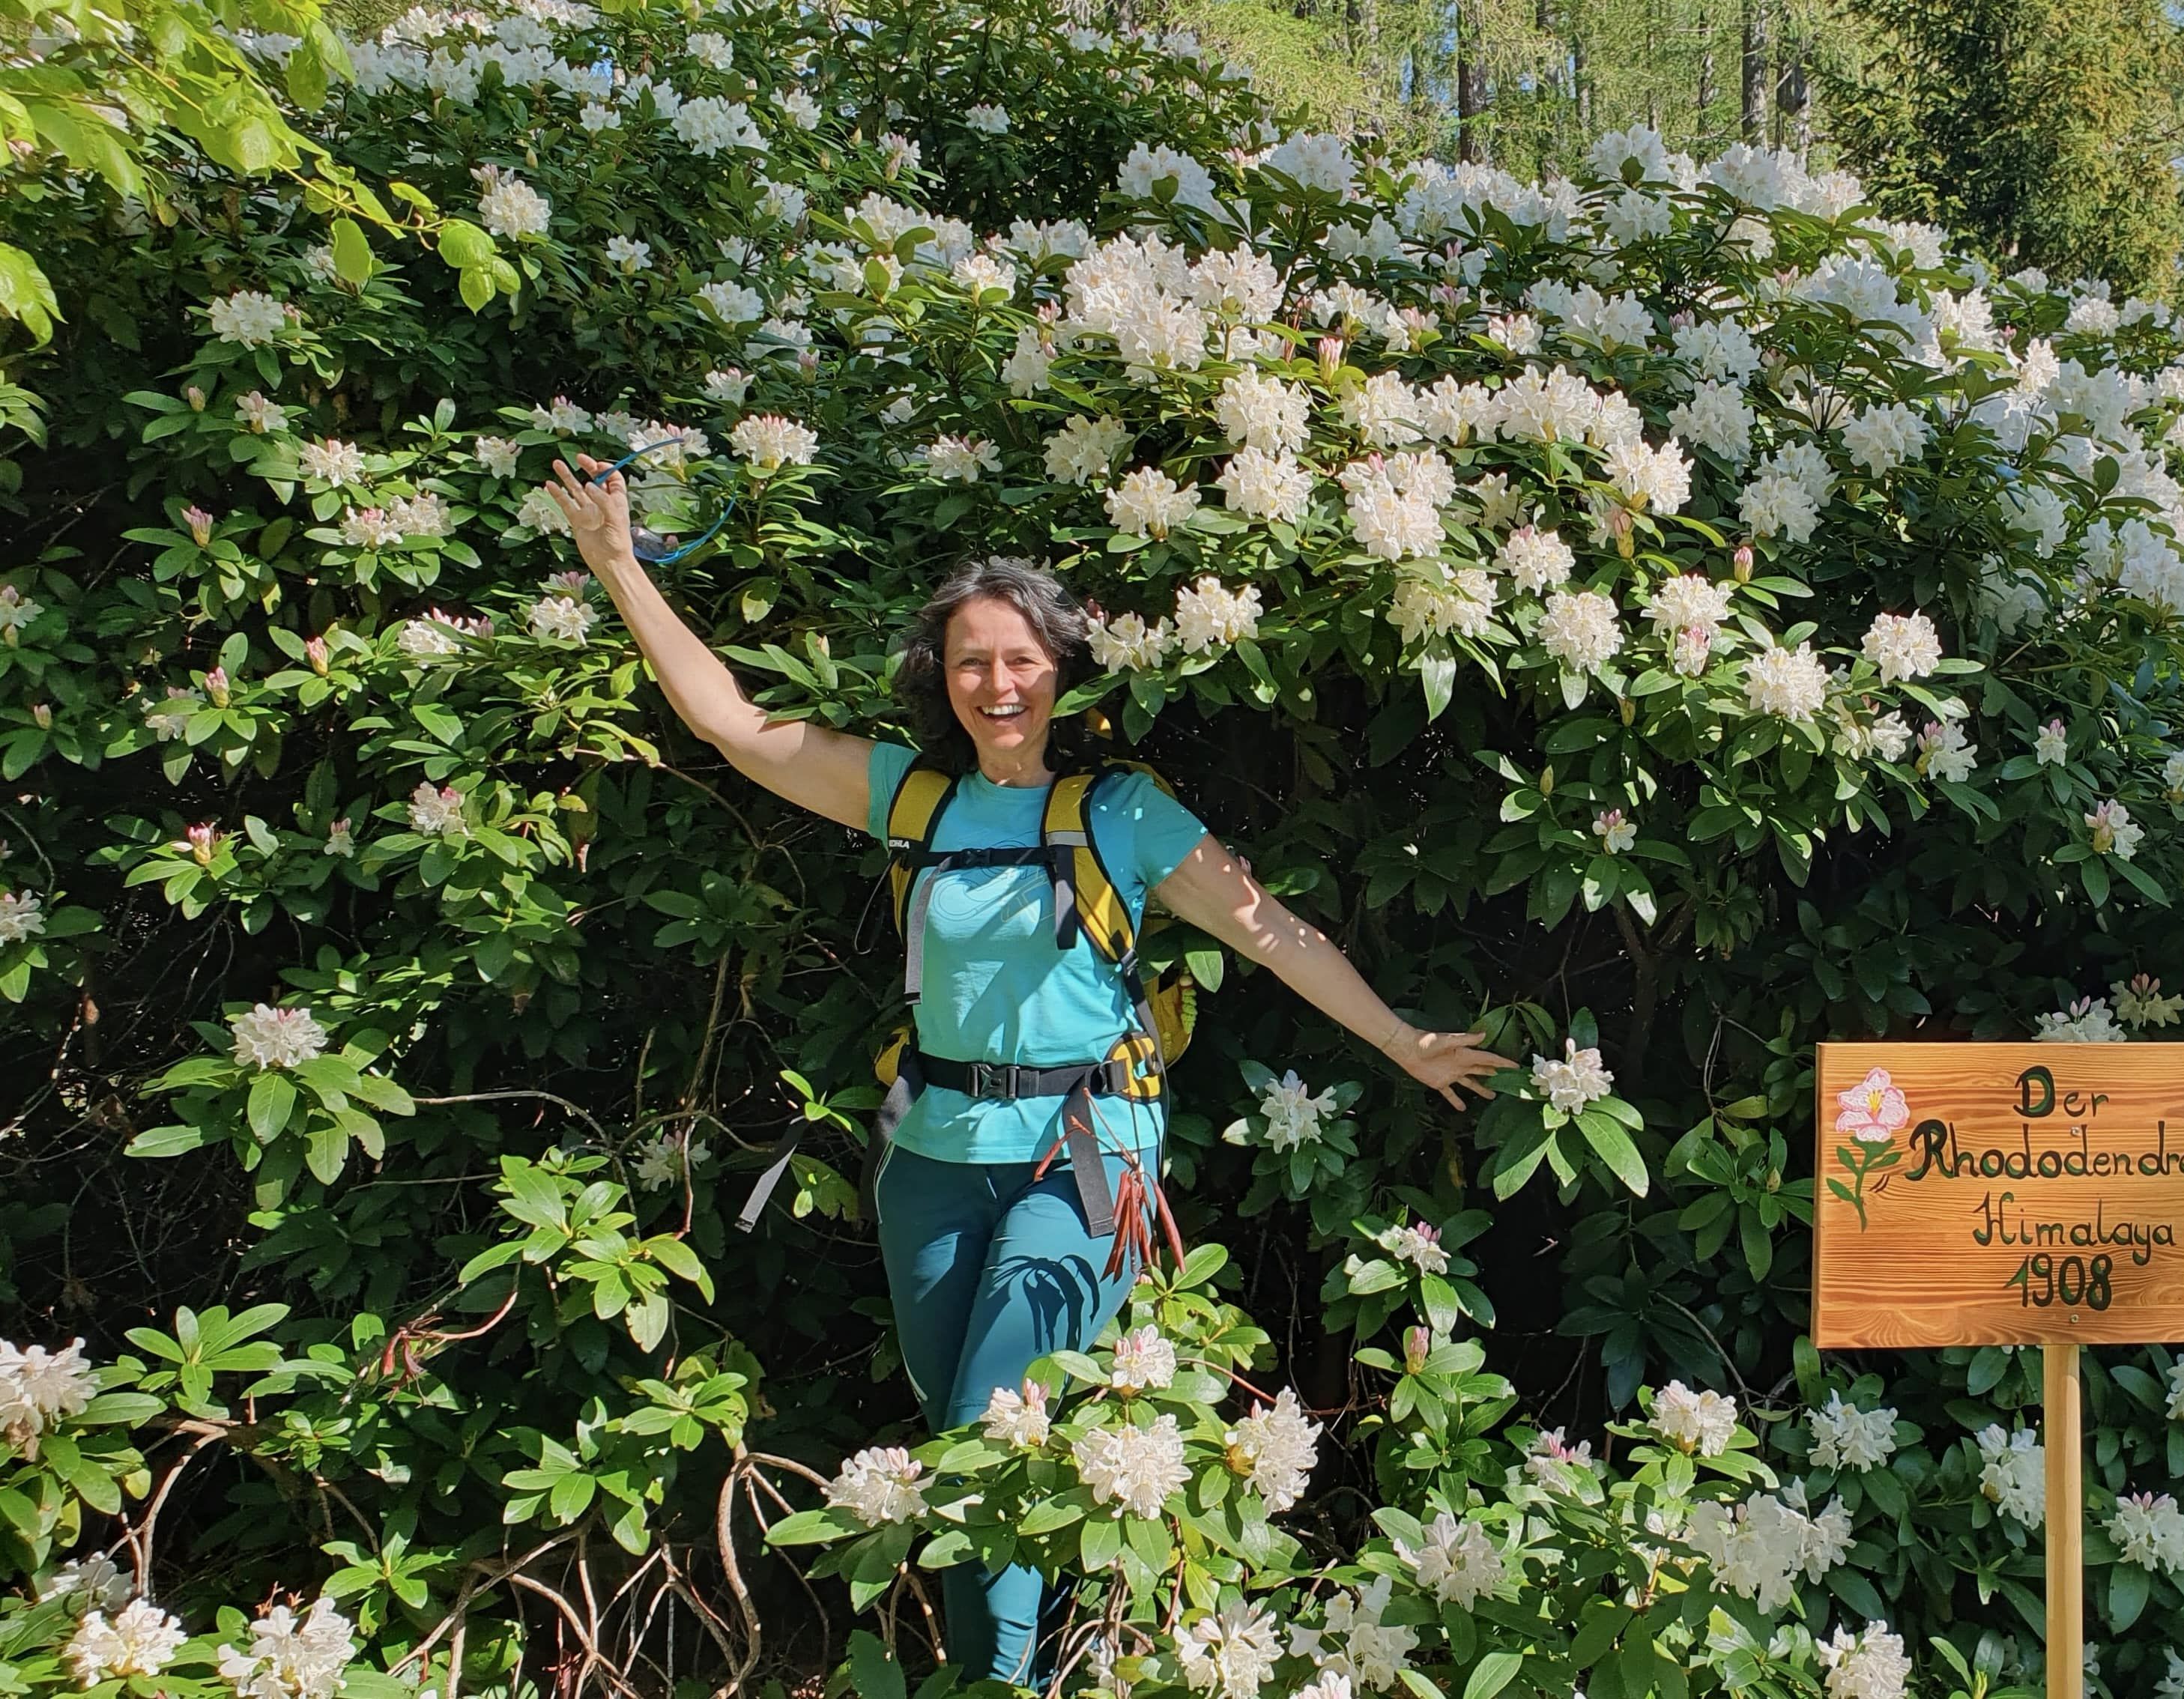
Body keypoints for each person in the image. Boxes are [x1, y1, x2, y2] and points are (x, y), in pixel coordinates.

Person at [541, 453, 1510, 1682]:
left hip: (1089, 1153)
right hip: (932, 1162)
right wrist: (619, 564)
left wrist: (1399, 1039)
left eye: (1018, 659)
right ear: (941, 683)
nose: (996, 683)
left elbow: (1268, 927)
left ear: (1058, 670)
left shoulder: (1121, 809)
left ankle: (1002, 1683)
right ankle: (1005, 1668)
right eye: (969, 662)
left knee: (995, 1431)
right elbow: (729, 722)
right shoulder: (914, 796)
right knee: (964, 1455)